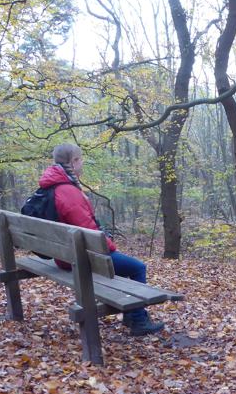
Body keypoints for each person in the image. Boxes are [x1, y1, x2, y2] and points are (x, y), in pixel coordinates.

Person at [38, 143, 164, 336]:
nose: (83, 163)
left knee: (123, 265)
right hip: (77, 259)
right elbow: (89, 232)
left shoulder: (49, 187)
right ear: (74, 161)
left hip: (64, 254)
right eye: (81, 159)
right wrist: (110, 246)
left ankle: (131, 313)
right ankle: (138, 320)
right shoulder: (68, 192)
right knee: (138, 267)